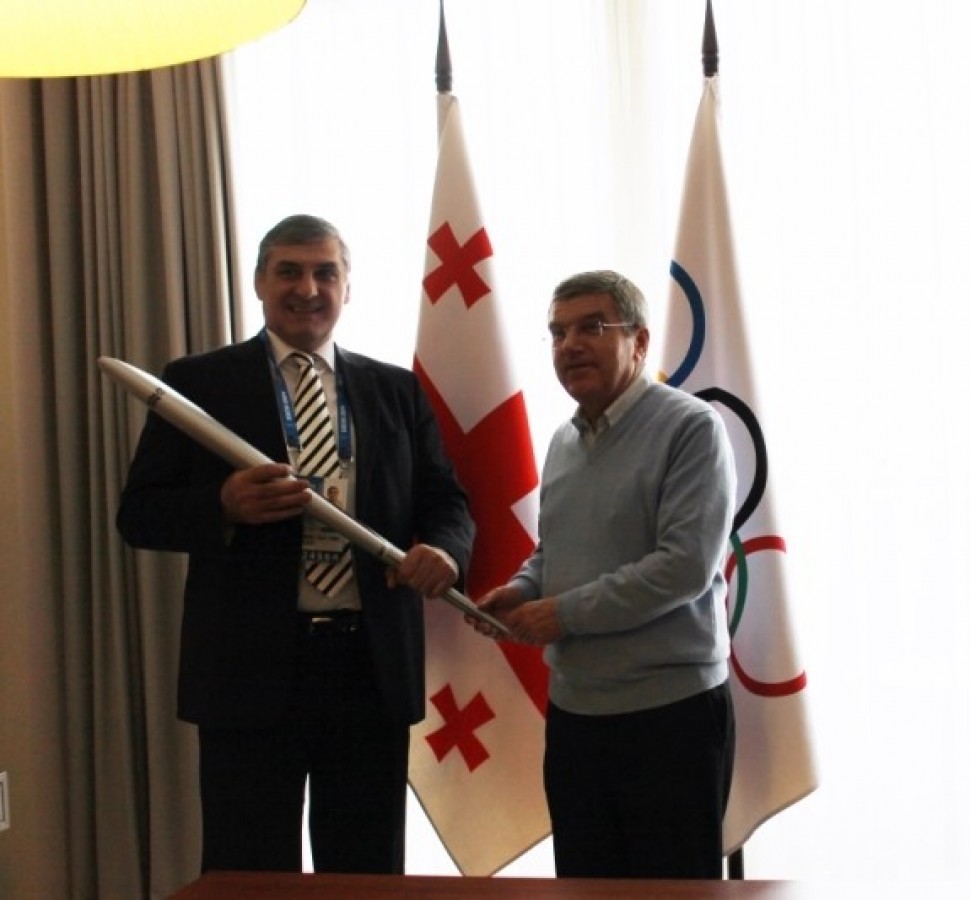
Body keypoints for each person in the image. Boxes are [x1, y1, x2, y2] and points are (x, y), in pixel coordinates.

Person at [117, 214, 474, 875]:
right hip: (246, 673)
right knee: (250, 873)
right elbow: (139, 515)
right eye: (289, 271)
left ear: (347, 287)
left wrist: (446, 552)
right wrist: (223, 504)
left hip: (369, 672)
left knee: (366, 874)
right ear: (259, 281)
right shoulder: (198, 382)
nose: (307, 289)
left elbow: (446, 503)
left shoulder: (395, 389)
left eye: (324, 273)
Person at [471, 269, 737, 879]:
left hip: (671, 718)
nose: (569, 345)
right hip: (576, 719)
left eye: (591, 327)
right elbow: (555, 550)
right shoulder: (562, 441)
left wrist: (560, 614)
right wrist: (522, 589)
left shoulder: (691, 428)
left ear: (639, 342)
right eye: (557, 332)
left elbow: (684, 567)